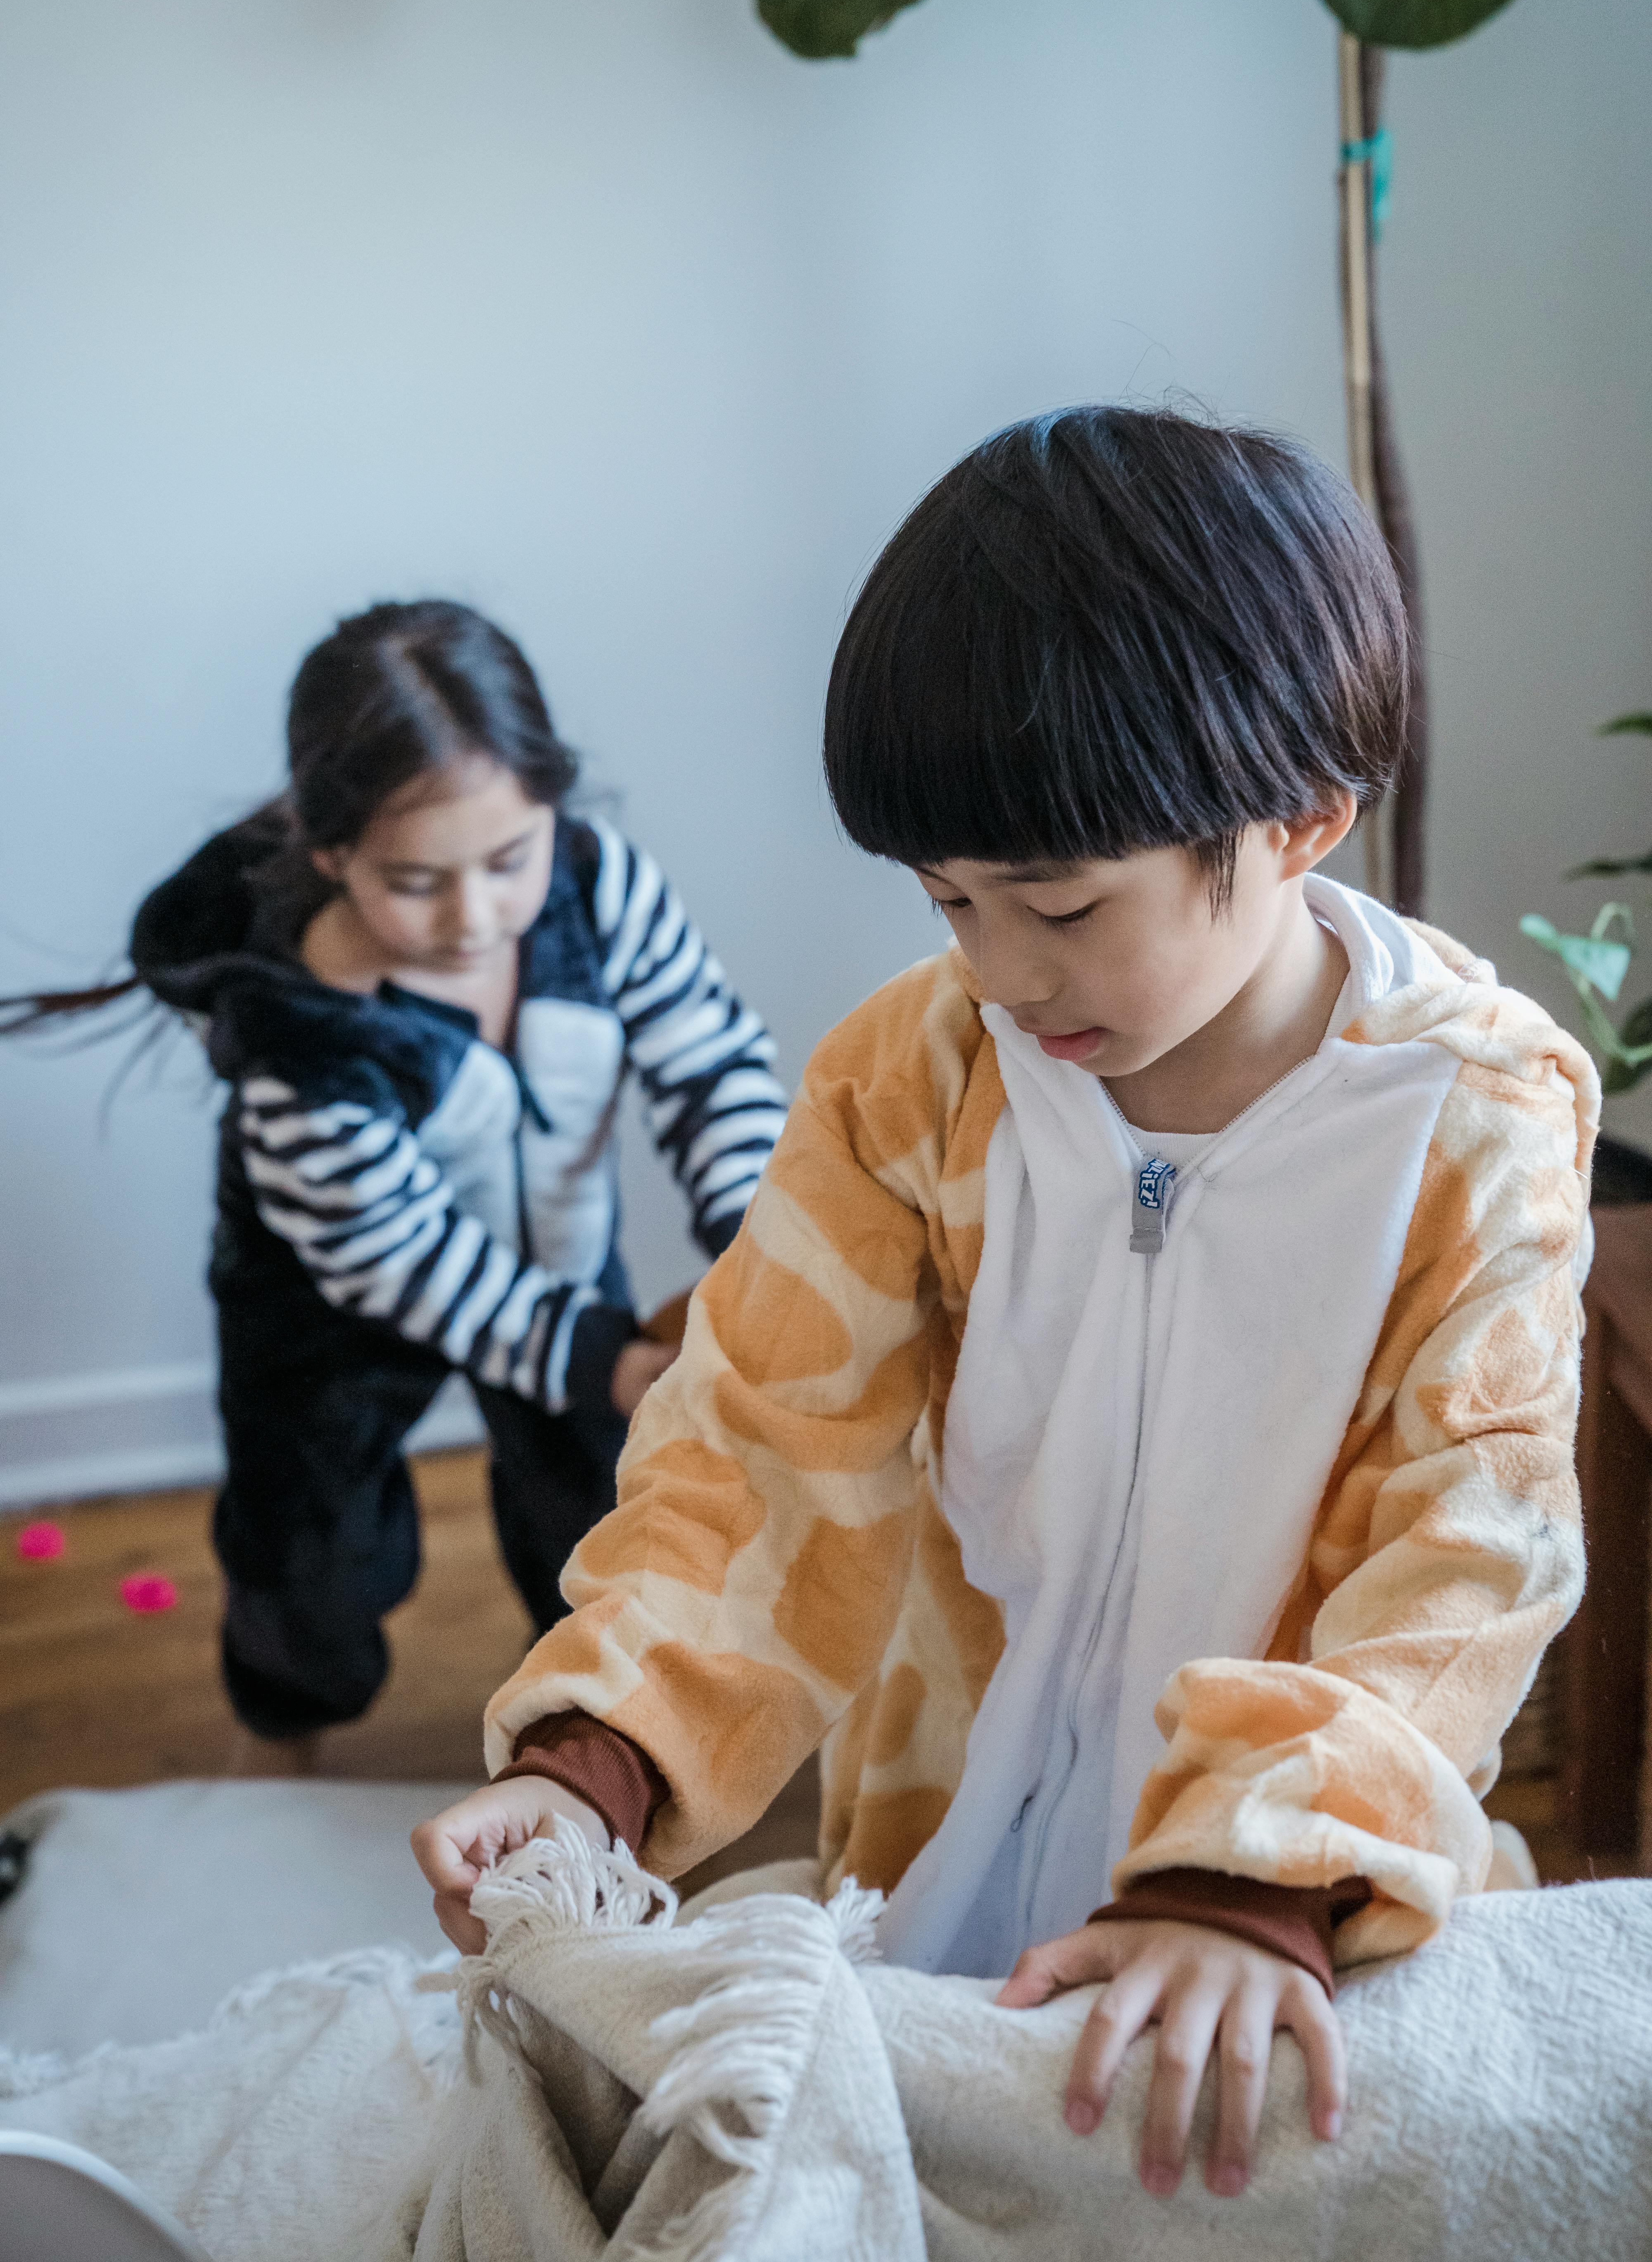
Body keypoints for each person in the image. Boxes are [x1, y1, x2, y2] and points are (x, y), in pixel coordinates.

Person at [410, 411, 1594, 2198]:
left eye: (1055, 904)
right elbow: (758, 1448)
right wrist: (602, 1763)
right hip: (937, 1873)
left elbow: (1467, 1548)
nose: (995, 968)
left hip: (1288, 1903)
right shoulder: (910, 1077)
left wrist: (1249, 1877)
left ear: (1298, 821)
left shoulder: (1475, 1119)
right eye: (948, 899)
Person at [2, 599, 789, 1767]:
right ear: (332, 853)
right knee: (310, 1557)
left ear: (551, 810)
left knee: (607, 1519)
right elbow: (405, 1264)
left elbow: (711, 1062)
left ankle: (600, 1741)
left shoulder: (599, 887)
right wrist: (603, 1357)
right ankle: (288, 1737)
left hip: (556, 1259)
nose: (475, 919)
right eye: (417, 881)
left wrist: (753, 1231)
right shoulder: (302, 1039)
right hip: (332, 1310)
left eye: (509, 861)